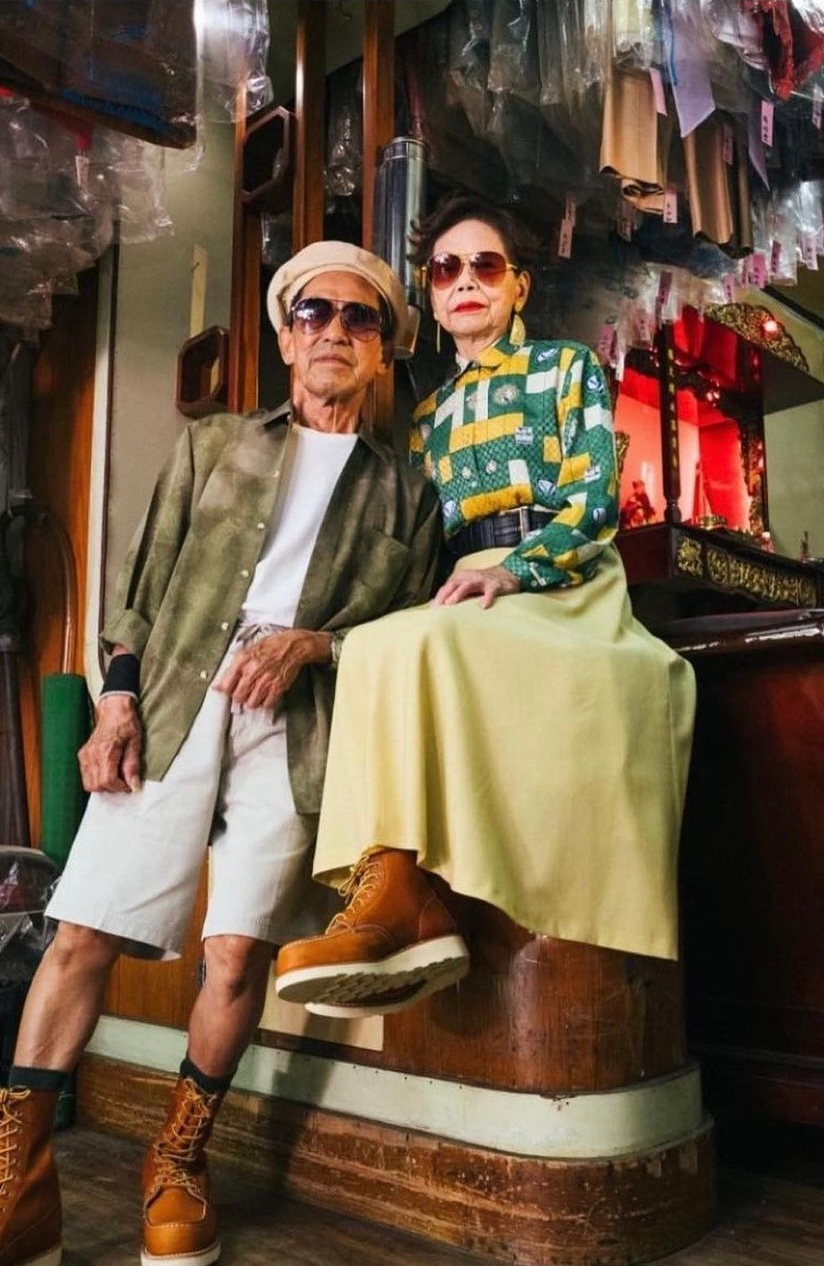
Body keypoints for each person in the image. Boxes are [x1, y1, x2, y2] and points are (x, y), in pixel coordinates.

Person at [0, 242, 441, 1266]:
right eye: (314, 310)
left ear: (380, 351)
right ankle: (11, 1198)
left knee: (237, 952)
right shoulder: (216, 445)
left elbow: (408, 630)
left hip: (299, 730)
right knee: (84, 932)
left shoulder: (408, 492)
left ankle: (179, 1160)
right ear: (285, 336)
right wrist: (116, 703)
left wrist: (315, 643)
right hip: (178, 700)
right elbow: (138, 587)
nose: (334, 329)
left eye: (360, 319)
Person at [275, 195, 696, 1017]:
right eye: (445, 270)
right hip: (462, 580)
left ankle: (406, 897)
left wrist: (516, 572)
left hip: (563, 579)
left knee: (423, 643)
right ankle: (392, 885)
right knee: (376, 645)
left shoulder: (569, 368)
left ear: (519, 287)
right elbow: (428, 539)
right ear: (431, 298)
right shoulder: (427, 415)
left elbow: (595, 501)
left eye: (486, 266)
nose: (465, 282)